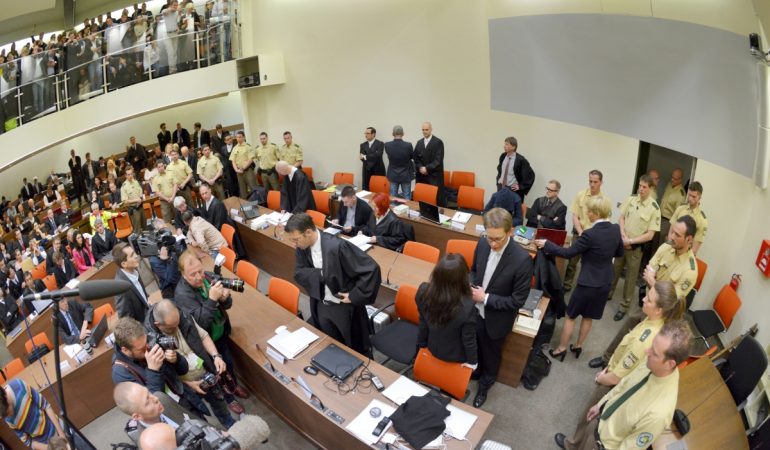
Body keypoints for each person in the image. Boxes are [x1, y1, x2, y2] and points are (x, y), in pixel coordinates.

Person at [554, 320, 691, 450]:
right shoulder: (652, 361)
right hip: (600, 420)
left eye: (654, 353)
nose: (646, 352)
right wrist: (601, 404)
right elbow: (624, 384)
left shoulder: (659, 413)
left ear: (670, 364)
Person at [588, 215, 699, 370]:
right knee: (626, 332)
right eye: (672, 232)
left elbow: (670, 302)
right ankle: (606, 358)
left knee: (640, 347)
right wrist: (654, 284)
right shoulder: (666, 248)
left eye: (677, 235)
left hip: (662, 316)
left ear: (689, 240)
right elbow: (649, 270)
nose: (671, 236)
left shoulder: (690, 271)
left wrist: (653, 282)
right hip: (648, 303)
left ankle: (615, 372)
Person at [535, 196, 623, 361]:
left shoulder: (590, 234)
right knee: (588, 317)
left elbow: (568, 253)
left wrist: (547, 244)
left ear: (596, 213)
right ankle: (578, 346)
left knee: (571, 316)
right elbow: (619, 253)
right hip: (605, 282)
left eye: (589, 211)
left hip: (587, 283)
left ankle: (561, 349)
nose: (587, 213)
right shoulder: (616, 229)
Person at [286, 213, 381, 354]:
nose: (294, 244)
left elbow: (371, 269)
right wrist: (321, 274)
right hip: (321, 303)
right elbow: (299, 273)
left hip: (344, 307)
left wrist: (355, 295)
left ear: (308, 232)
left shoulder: (337, 246)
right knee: (331, 344)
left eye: (296, 239)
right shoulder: (302, 248)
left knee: (354, 349)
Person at [469, 207, 532, 408]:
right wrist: (472, 287)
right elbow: (474, 271)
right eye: (490, 238)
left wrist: (485, 298)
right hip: (475, 311)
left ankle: (486, 384)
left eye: (498, 239)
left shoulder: (521, 260)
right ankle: (476, 371)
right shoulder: (482, 242)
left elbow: (517, 301)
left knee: (491, 353)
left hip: (497, 319)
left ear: (510, 231)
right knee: (476, 345)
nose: (493, 244)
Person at [174, 250, 249, 414]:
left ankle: (234, 386)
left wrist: (224, 298)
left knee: (228, 363)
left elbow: (226, 305)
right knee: (217, 373)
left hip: (220, 333)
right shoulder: (182, 295)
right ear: (183, 275)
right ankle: (229, 399)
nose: (199, 276)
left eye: (200, 271)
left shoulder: (208, 276)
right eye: (192, 274)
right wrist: (213, 299)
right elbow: (199, 325)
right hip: (206, 343)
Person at [145, 300, 236, 428]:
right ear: (158, 325)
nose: (177, 328)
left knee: (219, 403)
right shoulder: (150, 340)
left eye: (178, 324)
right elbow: (163, 376)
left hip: (205, 371)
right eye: (171, 328)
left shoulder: (183, 316)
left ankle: (229, 424)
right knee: (199, 420)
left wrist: (216, 356)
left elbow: (203, 336)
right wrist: (187, 384)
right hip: (185, 388)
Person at [608, 174, 661, 322]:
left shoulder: (654, 208)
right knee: (614, 270)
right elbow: (621, 218)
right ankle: (608, 293)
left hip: (635, 249)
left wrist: (630, 240)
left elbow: (650, 235)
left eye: (644, 187)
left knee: (630, 279)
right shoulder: (631, 199)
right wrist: (623, 235)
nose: (641, 189)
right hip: (622, 242)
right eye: (640, 186)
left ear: (651, 189)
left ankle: (624, 307)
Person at [417, 254, 478, 366]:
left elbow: (423, 322)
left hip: (431, 346)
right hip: (454, 356)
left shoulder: (423, 291)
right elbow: (468, 339)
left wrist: (422, 345)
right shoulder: (468, 306)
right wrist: (473, 362)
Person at [112, 317, 190, 403]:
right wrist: (153, 371)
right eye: (141, 349)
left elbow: (184, 370)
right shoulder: (121, 373)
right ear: (125, 350)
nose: (148, 349)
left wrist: (176, 360)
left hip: (184, 396)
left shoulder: (150, 340)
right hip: (166, 410)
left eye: (146, 342)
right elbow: (150, 402)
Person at [563, 170, 611, 292]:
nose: (592, 184)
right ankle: (567, 285)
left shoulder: (604, 200)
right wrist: (580, 231)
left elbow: (605, 222)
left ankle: (582, 287)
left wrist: (592, 235)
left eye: (595, 182)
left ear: (601, 182)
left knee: (588, 265)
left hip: (594, 238)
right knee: (572, 262)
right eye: (590, 181)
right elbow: (574, 215)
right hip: (579, 233)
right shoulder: (581, 195)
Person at [113, 382, 189, 445]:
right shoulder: (148, 444)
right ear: (138, 416)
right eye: (147, 402)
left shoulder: (162, 397)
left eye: (149, 393)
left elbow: (191, 418)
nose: (156, 399)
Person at [1, 378, 66, 448]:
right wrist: (49, 448)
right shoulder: (4, 413)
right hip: (44, 444)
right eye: (4, 416)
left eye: (8, 412)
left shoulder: (19, 387)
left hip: (57, 427)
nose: (9, 416)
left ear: (5, 395)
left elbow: (46, 406)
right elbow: (28, 441)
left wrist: (62, 434)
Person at [114, 243, 151, 322]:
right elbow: (126, 320)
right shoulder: (121, 289)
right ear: (124, 264)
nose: (136, 256)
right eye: (132, 255)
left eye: (134, 252)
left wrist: (146, 301)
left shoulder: (134, 270)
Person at [669, 181, 708, 255]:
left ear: (700, 197)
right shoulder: (680, 209)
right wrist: (670, 250)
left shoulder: (702, 220)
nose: (690, 198)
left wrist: (682, 259)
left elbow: (695, 248)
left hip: (686, 255)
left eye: (693, 196)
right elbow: (671, 232)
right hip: (672, 250)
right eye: (689, 195)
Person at [413, 122, 445, 206]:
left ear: (431, 129)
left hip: (433, 177)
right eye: (423, 130)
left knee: (433, 201)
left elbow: (438, 160)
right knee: (421, 199)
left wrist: (426, 168)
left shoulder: (438, 142)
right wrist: (420, 168)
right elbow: (415, 158)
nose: (424, 132)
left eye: (426, 130)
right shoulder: (419, 142)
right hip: (421, 176)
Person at [495, 136, 536, 203]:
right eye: (504, 144)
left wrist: (520, 186)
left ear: (513, 147)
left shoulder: (521, 160)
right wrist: (498, 181)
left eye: (507, 144)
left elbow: (530, 175)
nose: (504, 146)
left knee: (512, 210)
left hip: (512, 190)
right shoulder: (503, 156)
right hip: (501, 187)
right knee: (501, 209)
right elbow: (500, 170)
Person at [385, 125, 415, 200]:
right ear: (403, 133)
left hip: (393, 174)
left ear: (392, 133)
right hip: (406, 174)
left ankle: (393, 211)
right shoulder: (408, 145)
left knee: (393, 197)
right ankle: (406, 211)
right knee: (407, 197)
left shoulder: (387, 145)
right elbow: (411, 157)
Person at [658, 168, 686, 244]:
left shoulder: (681, 194)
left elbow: (678, 216)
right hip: (659, 217)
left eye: (675, 179)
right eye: (672, 177)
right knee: (652, 243)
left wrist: (672, 232)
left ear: (681, 180)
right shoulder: (669, 185)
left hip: (667, 222)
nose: (672, 180)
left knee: (659, 245)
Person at [229, 131, 256, 198]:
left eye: (240, 137)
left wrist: (243, 168)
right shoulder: (235, 148)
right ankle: (246, 207)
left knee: (253, 189)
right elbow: (233, 161)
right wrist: (236, 170)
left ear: (243, 137)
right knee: (243, 191)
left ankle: (256, 206)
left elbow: (250, 159)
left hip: (248, 171)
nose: (238, 138)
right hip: (239, 173)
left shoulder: (248, 146)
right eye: (237, 137)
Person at [121, 167, 147, 232]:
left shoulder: (136, 182)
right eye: (128, 174)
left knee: (145, 227)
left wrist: (141, 198)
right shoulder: (124, 186)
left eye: (131, 174)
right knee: (137, 230)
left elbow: (140, 193)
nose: (130, 176)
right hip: (134, 209)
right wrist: (136, 200)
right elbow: (125, 201)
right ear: (125, 175)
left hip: (141, 207)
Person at [360, 127, 385, 191]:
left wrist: (366, 156)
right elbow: (361, 158)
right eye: (365, 133)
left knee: (379, 189)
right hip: (367, 170)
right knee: (366, 190)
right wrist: (370, 156)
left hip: (378, 170)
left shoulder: (380, 144)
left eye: (368, 133)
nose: (366, 135)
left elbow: (378, 155)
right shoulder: (363, 145)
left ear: (373, 134)